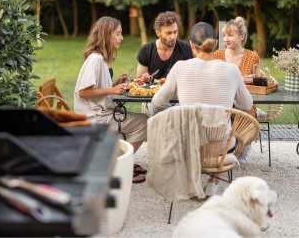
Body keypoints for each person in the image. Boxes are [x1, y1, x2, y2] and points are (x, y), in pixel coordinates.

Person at [151, 22, 253, 197]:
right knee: (223, 132)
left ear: (191, 44)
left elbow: (157, 102)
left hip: (187, 145)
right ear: (215, 44)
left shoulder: (180, 67)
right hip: (221, 148)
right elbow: (247, 105)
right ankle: (213, 183)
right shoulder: (232, 70)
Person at [74, 17, 148, 184]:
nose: (121, 38)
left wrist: (115, 83)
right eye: (118, 34)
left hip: (103, 113)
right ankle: (119, 166)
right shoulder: (95, 59)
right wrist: (112, 89)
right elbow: (83, 92)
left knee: (138, 121)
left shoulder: (101, 58)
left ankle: (121, 159)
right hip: (95, 118)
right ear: (107, 35)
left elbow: (97, 88)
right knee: (145, 123)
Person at [213, 16, 262, 164]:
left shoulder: (252, 56)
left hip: (243, 102)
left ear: (241, 37)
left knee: (247, 110)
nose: (226, 39)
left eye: (230, 35)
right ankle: (223, 147)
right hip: (223, 101)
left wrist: (249, 80)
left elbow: (257, 85)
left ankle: (244, 144)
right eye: (224, 36)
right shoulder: (217, 55)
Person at [136, 11, 193, 116]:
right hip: (157, 98)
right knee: (160, 110)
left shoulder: (186, 49)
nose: (173, 37)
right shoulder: (146, 50)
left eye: (175, 32)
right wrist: (144, 79)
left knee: (183, 111)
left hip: (180, 99)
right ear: (158, 33)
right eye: (168, 33)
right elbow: (138, 79)